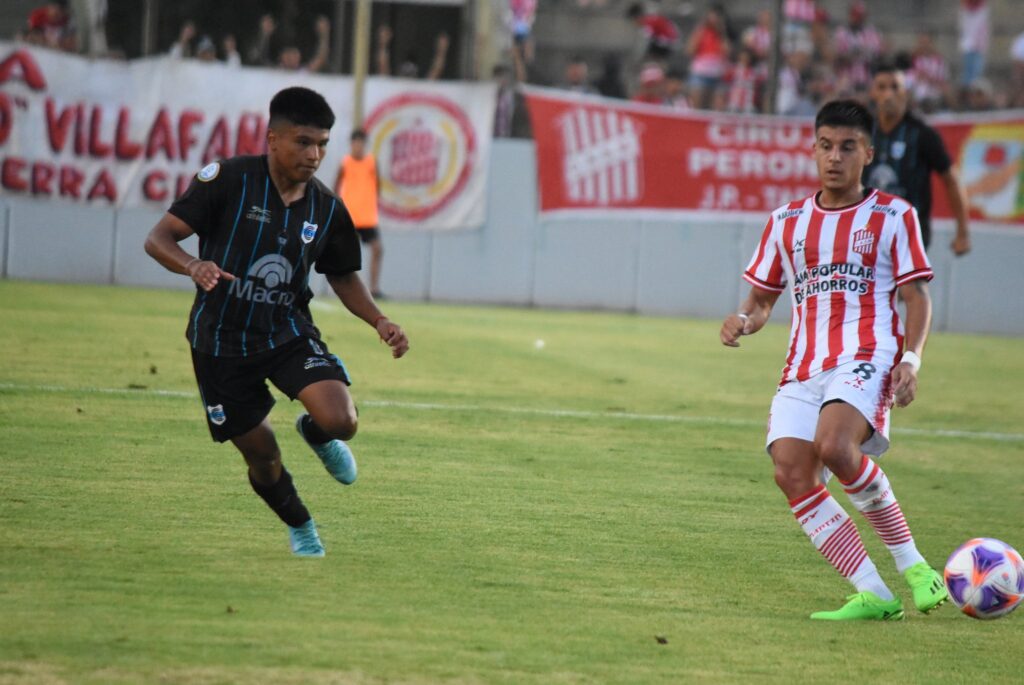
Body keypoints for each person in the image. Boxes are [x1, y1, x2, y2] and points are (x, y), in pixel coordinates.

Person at [144, 87, 409, 557]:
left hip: (284, 330)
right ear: (272, 139)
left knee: (341, 419)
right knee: (263, 457)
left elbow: (343, 274)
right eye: (304, 142)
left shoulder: (326, 206)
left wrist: (379, 320)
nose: (315, 155)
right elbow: (159, 238)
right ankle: (302, 525)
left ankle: (315, 432)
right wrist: (191, 265)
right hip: (220, 341)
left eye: (323, 144)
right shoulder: (228, 179)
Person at [720, 99, 949, 621]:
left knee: (835, 445)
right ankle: (874, 593)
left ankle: (914, 566)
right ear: (814, 148)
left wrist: (911, 359)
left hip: (867, 355)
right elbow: (761, 301)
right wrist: (742, 320)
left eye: (848, 147)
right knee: (791, 472)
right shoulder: (787, 221)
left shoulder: (894, 216)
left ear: (867, 153)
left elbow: (917, 296)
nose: (835, 158)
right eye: (826, 146)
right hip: (803, 365)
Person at [864, 62, 971, 255]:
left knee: (908, 286)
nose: (889, 94)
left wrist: (962, 232)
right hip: (867, 234)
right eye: (882, 87)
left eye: (895, 87)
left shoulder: (922, 135)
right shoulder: (862, 134)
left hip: (911, 234)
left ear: (905, 92)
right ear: (873, 92)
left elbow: (951, 179)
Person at [337, 129, 384, 298]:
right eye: (356, 143)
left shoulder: (371, 163)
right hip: (350, 216)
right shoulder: (346, 163)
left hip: (367, 217)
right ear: (351, 144)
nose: (358, 146)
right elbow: (336, 187)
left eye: (361, 143)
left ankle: (374, 289)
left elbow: (378, 186)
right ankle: (348, 288)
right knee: (349, 254)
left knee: (377, 249)